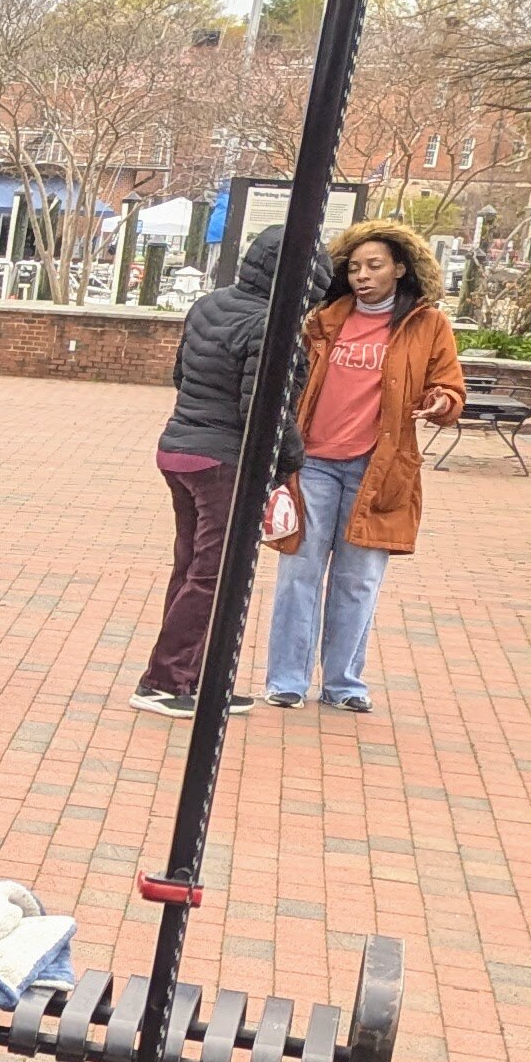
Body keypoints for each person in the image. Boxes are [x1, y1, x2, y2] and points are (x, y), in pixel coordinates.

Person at [265, 217, 466, 715]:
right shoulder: (324, 319)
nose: (362, 275)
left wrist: (441, 401)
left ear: (400, 268)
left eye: (374, 265)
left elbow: (449, 386)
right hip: (312, 465)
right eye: (354, 267)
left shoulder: (427, 324)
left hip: (378, 470)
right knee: (299, 573)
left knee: (358, 581)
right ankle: (287, 679)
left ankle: (344, 683)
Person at [135, 223, 307, 714]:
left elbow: (179, 374)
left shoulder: (209, 304)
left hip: (180, 448)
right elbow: (265, 408)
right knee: (214, 574)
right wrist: (291, 462)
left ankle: (196, 680)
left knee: (193, 568)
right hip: (221, 460)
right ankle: (165, 682)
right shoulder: (270, 324)